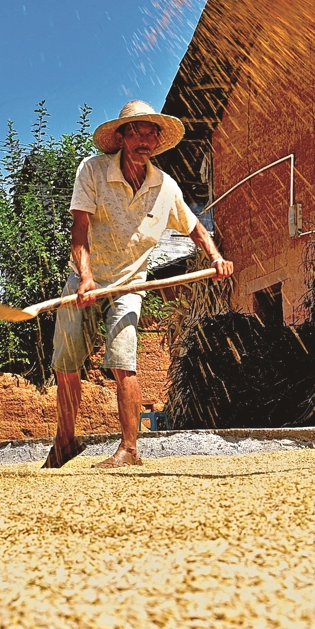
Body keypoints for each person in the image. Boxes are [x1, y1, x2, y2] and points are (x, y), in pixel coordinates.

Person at [46, 100, 233, 468]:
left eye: (150, 133)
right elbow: (80, 231)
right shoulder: (93, 171)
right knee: (66, 364)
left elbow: (195, 228)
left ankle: (129, 450)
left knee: (124, 360)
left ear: (157, 141)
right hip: (87, 277)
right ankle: (65, 441)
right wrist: (85, 278)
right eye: (136, 132)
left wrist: (215, 258)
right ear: (122, 137)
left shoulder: (165, 187)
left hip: (130, 284)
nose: (143, 140)